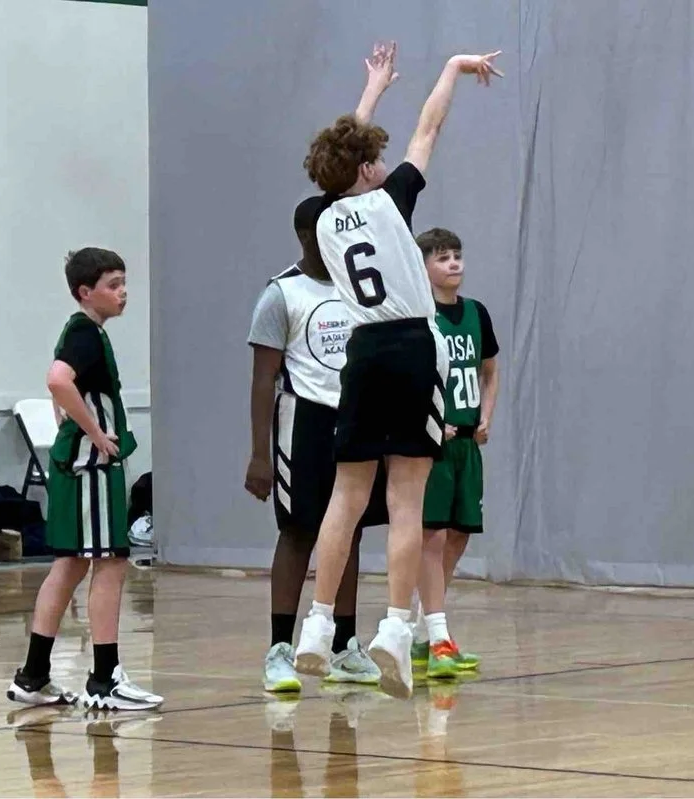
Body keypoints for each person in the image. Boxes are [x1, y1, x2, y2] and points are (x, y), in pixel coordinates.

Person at [294, 41, 502, 698]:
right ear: (364, 169)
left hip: (362, 355)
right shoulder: (392, 202)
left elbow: (342, 154)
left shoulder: (324, 220)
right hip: (413, 347)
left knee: (345, 498)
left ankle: (317, 628)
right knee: (406, 501)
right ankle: (391, 629)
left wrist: (373, 89)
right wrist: (451, 71)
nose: (387, 164)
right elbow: (429, 127)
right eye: (375, 160)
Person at [6, 247, 162, 712]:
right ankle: (104, 678)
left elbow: (58, 385)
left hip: (76, 465)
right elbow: (57, 380)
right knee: (110, 563)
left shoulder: (80, 333)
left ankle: (33, 676)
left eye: (123, 282)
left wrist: (70, 424)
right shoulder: (86, 334)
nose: (123, 292)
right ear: (85, 292)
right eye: (113, 284)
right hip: (92, 468)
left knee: (70, 565)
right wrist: (94, 433)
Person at [246, 195, 386, 693]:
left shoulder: (361, 289)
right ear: (307, 235)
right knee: (299, 533)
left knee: (349, 532)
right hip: (301, 423)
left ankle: (345, 646)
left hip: (356, 421)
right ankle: (280, 649)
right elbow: (263, 380)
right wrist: (260, 455)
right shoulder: (281, 294)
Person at [411, 227, 499, 676]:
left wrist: (486, 415)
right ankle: (440, 637)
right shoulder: (420, 318)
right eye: (443, 258)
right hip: (435, 446)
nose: (454, 264)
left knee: (459, 536)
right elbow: (408, 381)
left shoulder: (476, 314)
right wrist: (429, 421)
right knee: (433, 537)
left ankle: (422, 634)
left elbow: (490, 369)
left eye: (457, 256)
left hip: (468, 444)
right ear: (423, 267)